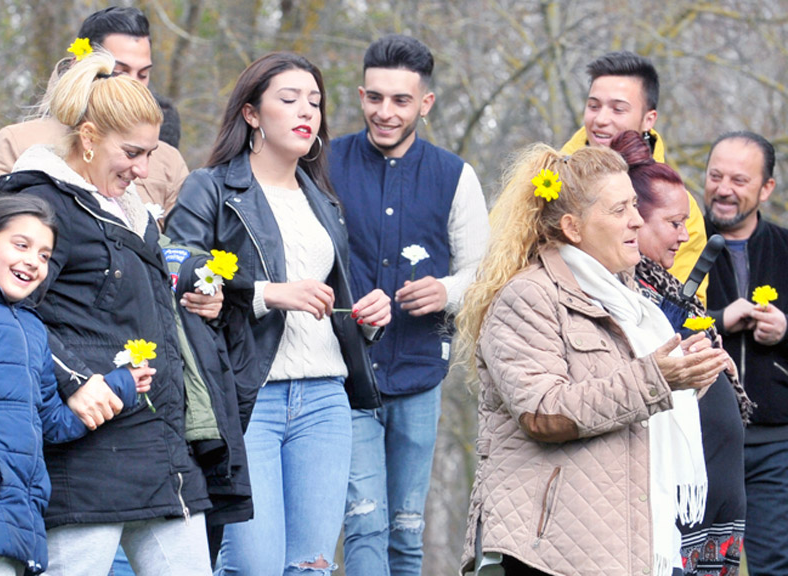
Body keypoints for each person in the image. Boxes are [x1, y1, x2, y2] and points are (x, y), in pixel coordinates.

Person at [166, 52, 392, 575]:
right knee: (254, 566)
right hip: (249, 398)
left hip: (326, 400)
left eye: (314, 101)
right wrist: (269, 292)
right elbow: (177, 261)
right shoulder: (213, 186)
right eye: (288, 100)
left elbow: (331, 298)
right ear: (251, 114)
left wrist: (368, 317)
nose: (305, 111)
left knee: (311, 567)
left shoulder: (324, 201)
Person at [456, 144, 728, 576]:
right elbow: (543, 411)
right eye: (620, 210)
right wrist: (658, 378)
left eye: (635, 206)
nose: (637, 221)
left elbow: (638, 395)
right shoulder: (528, 296)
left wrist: (692, 372)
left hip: (623, 545)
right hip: (550, 552)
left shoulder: (630, 300)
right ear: (573, 227)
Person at [0, 51, 213, 575]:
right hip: (84, 454)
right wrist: (73, 378)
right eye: (132, 152)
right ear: (89, 136)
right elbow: (5, 307)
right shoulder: (41, 202)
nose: (143, 169)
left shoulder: (132, 211)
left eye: (150, 153)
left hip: (160, 450)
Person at [0, 195, 154, 575]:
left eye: (45, 255)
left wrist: (119, 387)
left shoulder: (32, 327)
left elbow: (51, 421)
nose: (33, 261)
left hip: (18, 515)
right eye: (21, 245)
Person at [327, 35, 488, 576]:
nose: (384, 112)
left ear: (426, 103)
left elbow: (484, 273)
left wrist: (447, 291)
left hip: (419, 373)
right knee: (364, 522)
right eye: (374, 98)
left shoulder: (455, 176)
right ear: (360, 95)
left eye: (400, 100)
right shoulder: (324, 163)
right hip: (343, 373)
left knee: (406, 528)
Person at [611, 130, 749, 575]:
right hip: (669, 508)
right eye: (674, 224)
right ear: (633, 220)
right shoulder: (621, 295)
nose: (686, 235)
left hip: (713, 503)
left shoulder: (670, 291)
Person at [0, 6, 188, 227]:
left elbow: (180, 250)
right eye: (119, 72)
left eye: (143, 74)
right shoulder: (17, 143)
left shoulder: (168, 162)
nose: (133, 83)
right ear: (81, 64)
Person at [702, 131, 788, 575]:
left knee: (776, 563)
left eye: (739, 179)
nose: (723, 189)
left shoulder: (784, 247)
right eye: (715, 176)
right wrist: (719, 319)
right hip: (702, 436)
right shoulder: (682, 243)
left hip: (775, 441)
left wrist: (785, 331)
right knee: (702, 564)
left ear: (766, 188)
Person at [560, 50, 708, 303]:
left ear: (648, 119)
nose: (601, 120)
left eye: (618, 109)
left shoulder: (680, 208)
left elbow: (684, 305)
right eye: (593, 106)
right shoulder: (545, 181)